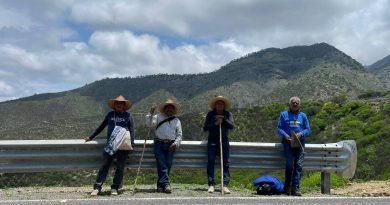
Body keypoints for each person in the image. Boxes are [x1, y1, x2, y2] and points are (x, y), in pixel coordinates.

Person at [84, 95, 135, 196]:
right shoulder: (110, 115)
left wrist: (131, 145)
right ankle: (97, 187)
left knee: (120, 168)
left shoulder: (128, 116)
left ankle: (114, 188)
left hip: (123, 147)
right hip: (110, 145)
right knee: (104, 166)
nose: (119, 105)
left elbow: (132, 131)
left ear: (124, 106)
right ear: (114, 105)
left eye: (121, 103)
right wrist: (91, 137)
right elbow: (101, 126)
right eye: (117, 103)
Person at [145, 98, 182, 193]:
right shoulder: (158, 117)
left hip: (171, 145)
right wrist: (151, 111)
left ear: (174, 110)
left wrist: (176, 143)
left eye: (171, 108)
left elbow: (179, 135)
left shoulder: (177, 121)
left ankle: (160, 185)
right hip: (159, 144)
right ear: (164, 109)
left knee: (167, 165)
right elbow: (149, 124)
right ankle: (166, 184)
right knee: (162, 164)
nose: (169, 109)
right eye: (167, 108)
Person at [277, 96, 310, 196]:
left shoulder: (303, 116)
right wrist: (285, 135)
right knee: (289, 165)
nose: (295, 104)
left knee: (299, 165)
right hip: (288, 143)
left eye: (297, 103)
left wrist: (301, 134)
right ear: (290, 104)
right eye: (293, 103)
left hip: (300, 143)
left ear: (299, 104)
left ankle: (295, 188)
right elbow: (279, 128)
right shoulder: (283, 115)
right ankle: (287, 188)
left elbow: (308, 129)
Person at [203, 96, 234, 194]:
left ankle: (224, 185)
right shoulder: (210, 114)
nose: (219, 105)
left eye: (221, 104)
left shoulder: (228, 114)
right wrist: (216, 123)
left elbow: (232, 126)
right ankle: (211, 184)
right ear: (215, 105)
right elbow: (205, 128)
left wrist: (223, 120)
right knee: (211, 161)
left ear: (224, 105)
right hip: (212, 141)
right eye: (218, 103)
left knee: (226, 162)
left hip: (224, 141)